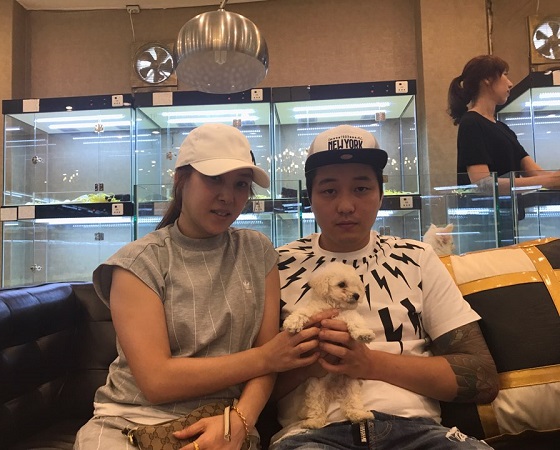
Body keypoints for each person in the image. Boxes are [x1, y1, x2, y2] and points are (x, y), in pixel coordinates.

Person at [74, 123, 321, 450]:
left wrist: (241, 420)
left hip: (226, 423)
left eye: (240, 184)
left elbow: (269, 366)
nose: (228, 197)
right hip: (131, 422)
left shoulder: (257, 251)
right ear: (181, 180)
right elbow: (157, 381)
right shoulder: (138, 263)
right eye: (214, 179)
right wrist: (265, 358)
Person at [270, 124, 500, 449]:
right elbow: (251, 384)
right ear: (311, 198)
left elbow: (482, 376)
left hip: (418, 433)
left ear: (380, 193)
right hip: (312, 436)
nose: (346, 205)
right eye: (329, 191)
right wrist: (307, 363)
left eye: (361, 188)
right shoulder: (276, 264)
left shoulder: (417, 257)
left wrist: (369, 363)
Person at [448, 54, 560, 191]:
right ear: (487, 79)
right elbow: (483, 183)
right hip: (491, 206)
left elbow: (537, 174)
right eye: (504, 75)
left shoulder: (503, 128)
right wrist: (550, 180)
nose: (510, 83)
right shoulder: (471, 122)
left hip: (511, 205)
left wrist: (553, 179)